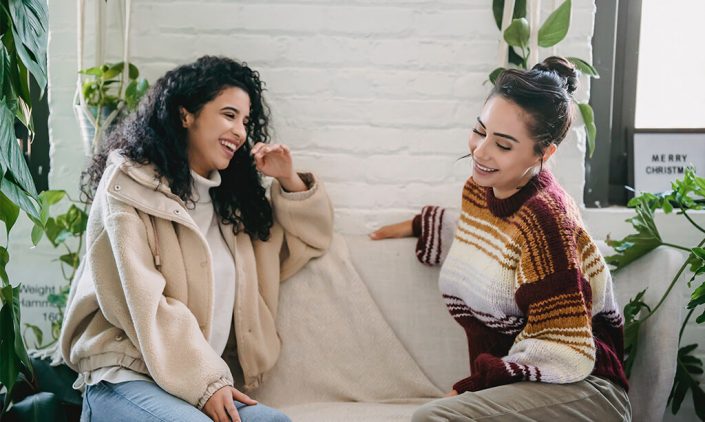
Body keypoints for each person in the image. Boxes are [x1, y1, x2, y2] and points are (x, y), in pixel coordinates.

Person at [59, 55, 334, 422]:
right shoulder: (128, 186)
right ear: (186, 114)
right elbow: (144, 304)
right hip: (126, 374)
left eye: (245, 121)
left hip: (196, 385)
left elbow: (311, 240)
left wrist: (288, 180)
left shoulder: (234, 209)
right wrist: (206, 382)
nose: (240, 131)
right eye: (229, 115)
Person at [370, 57, 631, 421]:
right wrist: (421, 225)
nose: (480, 150)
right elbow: (494, 244)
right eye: (480, 130)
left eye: (503, 145)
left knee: (432, 419)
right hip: (528, 384)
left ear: (544, 153)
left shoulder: (546, 219)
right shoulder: (482, 191)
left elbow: (560, 346)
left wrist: (474, 385)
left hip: (583, 387)